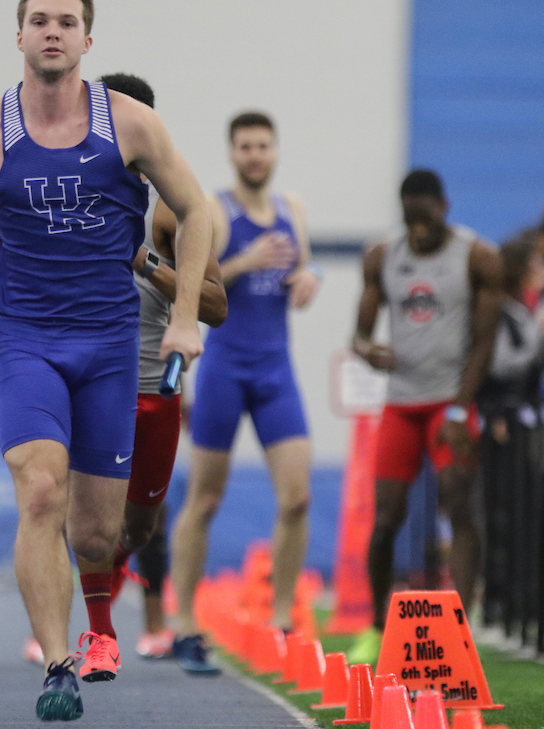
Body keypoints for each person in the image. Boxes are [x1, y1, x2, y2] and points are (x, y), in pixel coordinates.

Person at [0, 0, 213, 721]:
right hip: (24, 338)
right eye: (39, 21)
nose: (52, 32)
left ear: (88, 40)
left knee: (98, 531)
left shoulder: (132, 125)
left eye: (67, 22)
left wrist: (183, 316)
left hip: (112, 345)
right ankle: (58, 664)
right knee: (40, 491)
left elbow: (198, 210)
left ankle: (99, 623)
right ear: (18, 35)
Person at [69, 73, 227, 682]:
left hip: (151, 386)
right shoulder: (69, 194)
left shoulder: (171, 205)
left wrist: (145, 261)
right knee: (78, 514)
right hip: (85, 378)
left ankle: (115, 572)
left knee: (135, 525)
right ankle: (96, 629)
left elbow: (216, 306)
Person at [169, 111, 322, 675]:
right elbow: (197, 284)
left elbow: (303, 270)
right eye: (246, 147)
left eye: (263, 146)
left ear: (275, 151)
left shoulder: (293, 209)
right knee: (204, 500)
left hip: (275, 369)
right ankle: (185, 624)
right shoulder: (215, 210)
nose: (256, 155)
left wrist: (311, 280)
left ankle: (282, 620)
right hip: (226, 369)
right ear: (233, 153)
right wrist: (244, 262)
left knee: (298, 497)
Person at [347, 169, 501, 665]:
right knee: (386, 516)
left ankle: (461, 620)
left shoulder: (477, 257)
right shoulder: (382, 257)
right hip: (401, 402)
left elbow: (484, 341)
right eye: (410, 222)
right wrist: (369, 351)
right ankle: (375, 626)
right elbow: (359, 334)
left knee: (458, 499)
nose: (418, 232)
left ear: (444, 208)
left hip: (448, 401)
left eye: (426, 222)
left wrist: (460, 405)